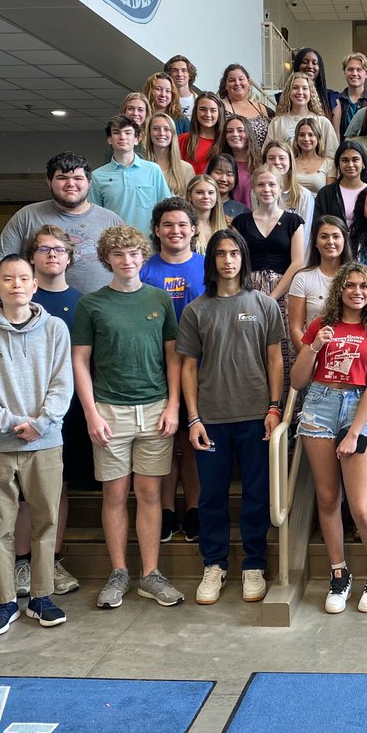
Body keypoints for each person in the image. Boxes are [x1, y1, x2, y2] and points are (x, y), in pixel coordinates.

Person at [72, 225, 184, 610]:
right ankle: (118, 571)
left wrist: (173, 405)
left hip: (155, 409)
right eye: (119, 255)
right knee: (115, 494)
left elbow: (173, 356)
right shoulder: (92, 305)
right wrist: (91, 413)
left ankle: (150, 574)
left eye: (134, 254)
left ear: (143, 257)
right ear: (108, 260)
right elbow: (80, 361)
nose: (127, 261)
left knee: (151, 493)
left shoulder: (160, 299)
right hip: (109, 411)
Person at [0, 254, 73, 636]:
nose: (15, 285)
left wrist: (41, 423)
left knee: (46, 521)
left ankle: (41, 596)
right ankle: (5, 601)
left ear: (34, 284)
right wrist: (11, 425)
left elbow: (63, 383)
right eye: (7, 279)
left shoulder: (55, 329)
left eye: (23, 278)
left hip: (45, 443)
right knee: (0, 527)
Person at [178, 229, 284, 606]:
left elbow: (275, 359)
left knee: (256, 496)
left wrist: (275, 407)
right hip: (212, 420)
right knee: (211, 498)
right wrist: (193, 418)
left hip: (257, 416)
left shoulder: (264, 305)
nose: (227, 260)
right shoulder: (196, 310)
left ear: (243, 259)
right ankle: (214, 564)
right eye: (220, 254)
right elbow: (187, 367)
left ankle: (254, 564)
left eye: (234, 253)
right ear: (212, 261)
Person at [293, 263, 367, 613]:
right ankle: (339, 573)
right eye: (350, 285)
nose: (357, 291)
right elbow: (297, 381)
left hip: (358, 408)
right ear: (340, 289)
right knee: (326, 498)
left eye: (364, 287)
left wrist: (353, 433)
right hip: (319, 404)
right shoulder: (321, 326)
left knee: (360, 504)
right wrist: (313, 347)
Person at [18, 226, 88, 594]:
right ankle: (22, 564)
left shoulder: (83, 302)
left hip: (69, 412)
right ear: (32, 257)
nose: (52, 256)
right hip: (23, 414)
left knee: (57, 488)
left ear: (69, 257)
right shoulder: (16, 300)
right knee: (25, 493)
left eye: (59, 250)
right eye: (44, 250)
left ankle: (52, 561)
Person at [140, 198, 206, 543]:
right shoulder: (144, 270)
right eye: (168, 224)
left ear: (193, 230)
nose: (175, 230)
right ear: (157, 230)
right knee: (163, 441)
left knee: (192, 442)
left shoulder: (208, 267)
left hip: (201, 368)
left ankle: (193, 508)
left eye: (182, 224)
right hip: (154, 369)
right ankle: (166, 510)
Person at [0, 153, 125, 294]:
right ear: (49, 182)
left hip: (99, 311)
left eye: (78, 178)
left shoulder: (111, 220)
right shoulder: (27, 216)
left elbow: (129, 265)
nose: (70, 184)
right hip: (37, 312)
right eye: (62, 178)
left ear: (89, 182)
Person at [231, 167, 306, 376]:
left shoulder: (293, 221)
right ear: (253, 189)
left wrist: (272, 297)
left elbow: (298, 262)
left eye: (272, 184)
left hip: (284, 292)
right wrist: (250, 294)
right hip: (249, 290)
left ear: (281, 188)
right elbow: (237, 260)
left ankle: (286, 406)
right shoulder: (241, 222)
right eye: (261, 184)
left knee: (286, 348)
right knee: (250, 345)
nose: (266, 189)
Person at [91, 114, 172, 236]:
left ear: (136, 139)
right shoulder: (97, 176)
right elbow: (94, 217)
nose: (122, 137)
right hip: (113, 246)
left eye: (128, 132)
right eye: (116, 132)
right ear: (109, 139)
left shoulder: (153, 170)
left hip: (149, 245)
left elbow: (166, 210)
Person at [288, 215, 352, 348]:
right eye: (324, 237)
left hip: (351, 352)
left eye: (336, 236)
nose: (330, 241)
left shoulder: (357, 277)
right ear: (315, 243)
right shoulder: (302, 278)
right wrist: (310, 357)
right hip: (314, 353)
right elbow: (296, 329)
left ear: (345, 240)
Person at [267, 72, 338, 150]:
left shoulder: (323, 123)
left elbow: (332, 154)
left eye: (304, 88)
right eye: (295, 88)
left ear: (311, 92)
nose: (300, 92)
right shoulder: (277, 123)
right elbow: (267, 154)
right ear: (288, 92)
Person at [262, 139, 316, 238]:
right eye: (271, 158)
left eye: (282, 158)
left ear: (290, 162)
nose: (277, 162)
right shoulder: (257, 193)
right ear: (265, 162)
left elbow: (306, 236)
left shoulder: (304, 196)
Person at [217, 63, 274, 151]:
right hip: (231, 161)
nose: (237, 83)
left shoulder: (262, 108)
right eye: (232, 80)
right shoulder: (219, 107)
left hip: (260, 161)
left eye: (241, 79)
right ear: (225, 85)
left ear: (249, 83)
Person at [314, 140, 367, 226]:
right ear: (338, 165)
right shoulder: (326, 194)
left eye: (355, 160)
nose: (350, 165)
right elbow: (318, 226)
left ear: (363, 163)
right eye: (345, 160)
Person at [144, 111, 196, 197]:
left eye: (166, 129)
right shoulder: (142, 168)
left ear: (173, 134)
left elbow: (191, 204)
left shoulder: (186, 169)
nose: (161, 133)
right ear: (149, 134)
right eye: (156, 128)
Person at [213, 113, 260, 208]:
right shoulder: (217, 164)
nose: (235, 134)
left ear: (249, 134)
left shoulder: (261, 164)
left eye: (240, 130)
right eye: (230, 131)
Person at [179, 91, 222, 177]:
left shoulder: (225, 142)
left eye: (213, 110)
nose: (208, 114)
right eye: (203, 109)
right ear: (196, 111)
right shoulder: (183, 139)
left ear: (219, 113)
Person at [333, 52, 367, 139]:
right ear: (344, 72)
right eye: (350, 69)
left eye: (359, 70)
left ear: (366, 74)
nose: (354, 73)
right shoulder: (336, 101)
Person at [292, 47, 339, 125]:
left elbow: (335, 134)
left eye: (314, 63)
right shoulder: (285, 97)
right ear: (297, 65)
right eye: (305, 62)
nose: (310, 66)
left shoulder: (330, 98)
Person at [186, 174, 229, 254]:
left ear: (216, 196)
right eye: (200, 192)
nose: (206, 196)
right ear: (189, 196)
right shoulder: (182, 227)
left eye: (210, 193)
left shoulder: (227, 226)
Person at [292, 116, 336, 194]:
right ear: (296, 138)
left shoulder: (329, 164)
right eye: (302, 135)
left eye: (311, 135)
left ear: (318, 138)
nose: (306, 139)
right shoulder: (289, 163)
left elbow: (329, 196)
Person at [207, 152, 250, 221]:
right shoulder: (199, 205)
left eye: (229, 174)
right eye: (218, 172)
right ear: (208, 174)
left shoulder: (242, 211)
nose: (223, 179)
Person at [164, 55, 198, 120]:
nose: (179, 74)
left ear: (190, 74)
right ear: (169, 74)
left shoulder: (198, 101)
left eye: (184, 70)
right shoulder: (164, 100)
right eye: (175, 70)